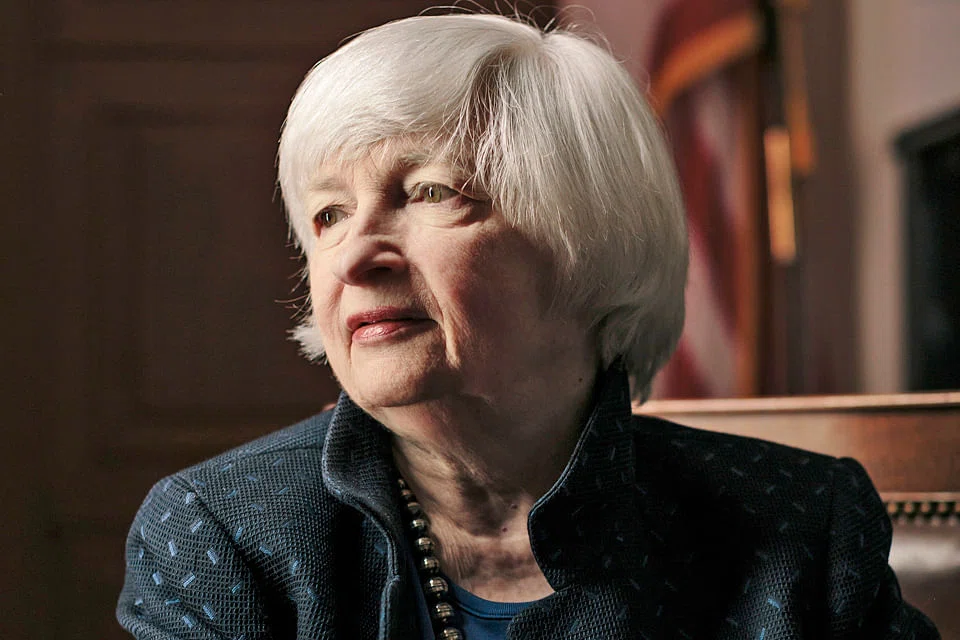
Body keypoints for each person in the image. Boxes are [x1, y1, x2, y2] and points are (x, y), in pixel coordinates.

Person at [116, 12, 939, 640]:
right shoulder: (221, 533)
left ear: (590, 240)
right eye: (328, 214)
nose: (354, 255)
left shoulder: (802, 525)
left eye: (430, 192)